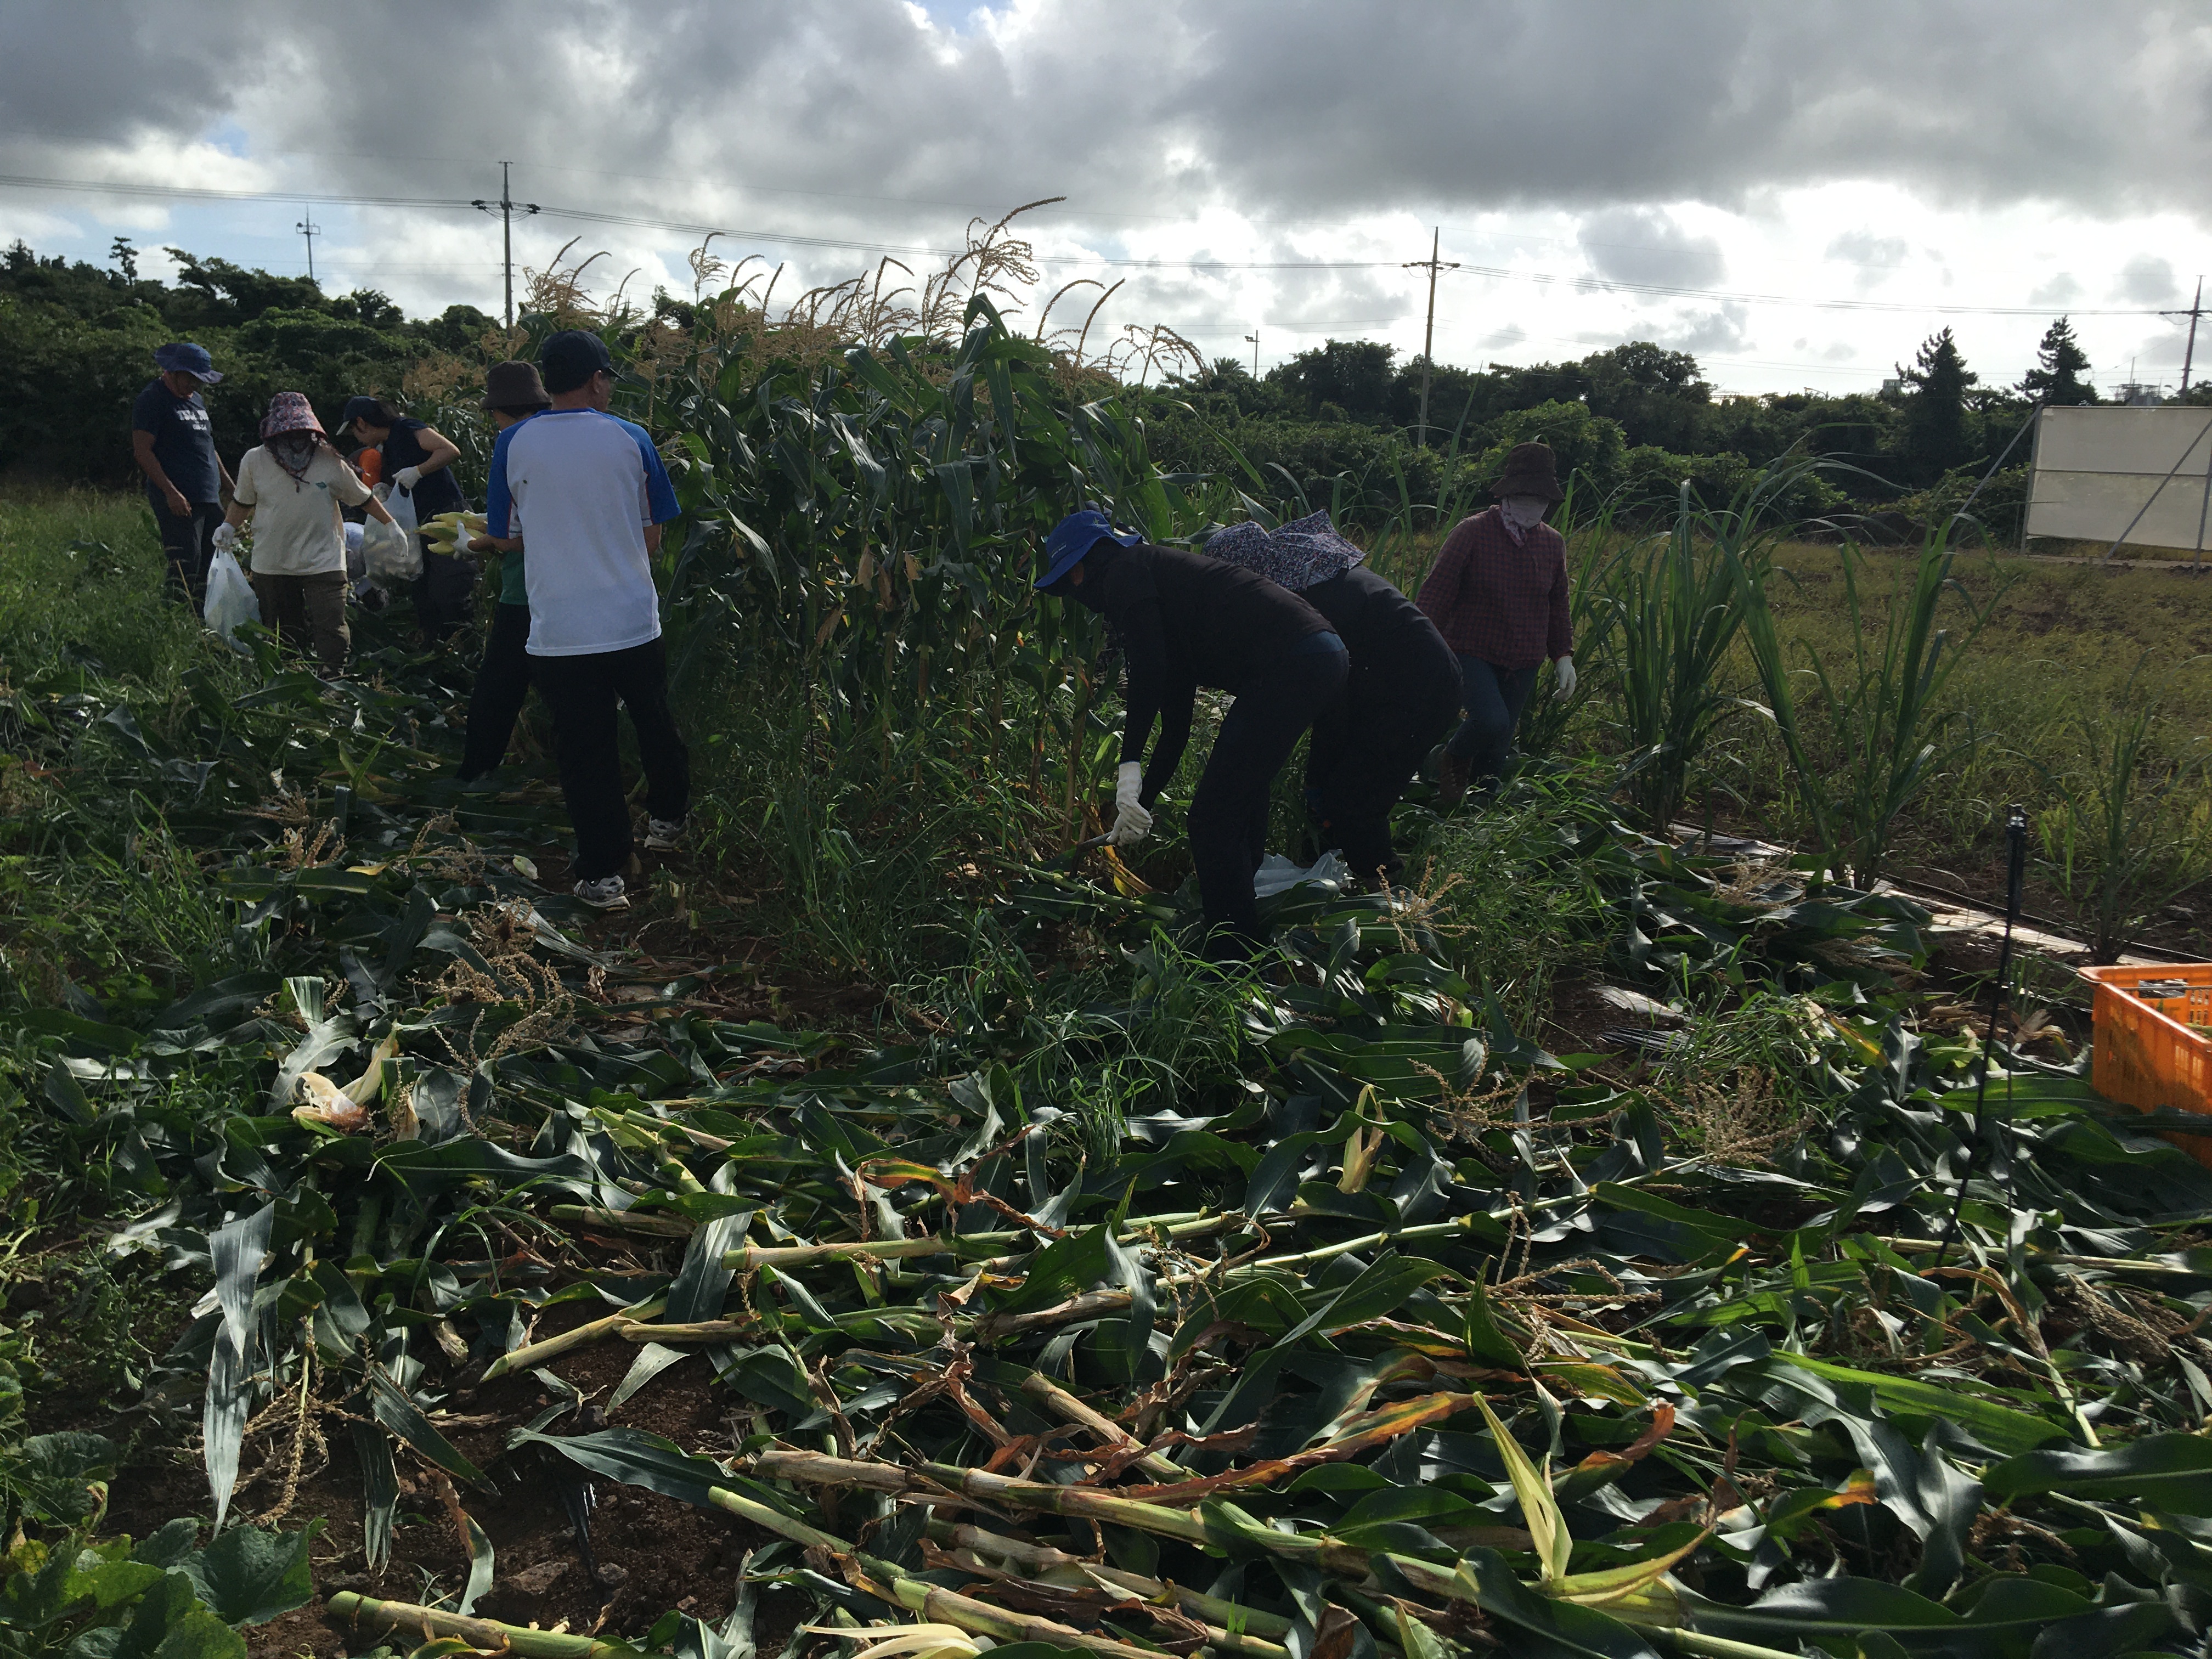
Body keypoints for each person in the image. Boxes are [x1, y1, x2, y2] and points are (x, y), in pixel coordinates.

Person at [1035, 509, 1347, 957]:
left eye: (1069, 585)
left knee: (1212, 818)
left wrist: (1128, 765)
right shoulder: (1167, 595)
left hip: (1293, 662)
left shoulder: (1126, 570)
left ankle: (1232, 960)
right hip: (1318, 655)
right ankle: (1242, 921)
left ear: (1080, 571)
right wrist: (1139, 805)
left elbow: (1148, 670)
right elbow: (1176, 725)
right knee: (1241, 796)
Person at [483, 331, 686, 911]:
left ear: (549, 382)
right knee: (654, 722)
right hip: (629, 619)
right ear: (597, 378)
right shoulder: (632, 438)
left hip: (559, 629)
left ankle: (602, 876)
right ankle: (668, 822)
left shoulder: (513, 443)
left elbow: (505, 535)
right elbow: (652, 537)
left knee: (585, 749)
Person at [1206, 511, 1459, 888]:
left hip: (1417, 690)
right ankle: (1337, 880)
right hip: (1391, 686)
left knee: (1355, 800)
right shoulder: (1312, 578)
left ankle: (1390, 901)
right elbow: (1333, 695)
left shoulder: (1313, 598)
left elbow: (1325, 686)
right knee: (1333, 787)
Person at [1415, 442, 1577, 807]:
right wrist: (1419, 645)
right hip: (1472, 648)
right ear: (1507, 494)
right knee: (1491, 721)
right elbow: (1437, 592)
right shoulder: (1472, 532)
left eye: (1540, 498)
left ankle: (1470, 814)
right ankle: (1452, 758)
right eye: (1525, 495)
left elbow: (1558, 603)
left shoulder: (1552, 544)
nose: (1532, 505)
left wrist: (1563, 655)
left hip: (1524, 656)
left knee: (1497, 752)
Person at [217, 393, 400, 676]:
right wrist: (229, 525)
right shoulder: (255, 461)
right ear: (274, 431)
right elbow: (243, 502)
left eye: (300, 431)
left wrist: (391, 525)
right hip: (272, 561)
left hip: (323, 559)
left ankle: (332, 679)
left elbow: (363, 498)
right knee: (283, 628)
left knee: (331, 623)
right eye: (287, 432)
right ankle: (292, 679)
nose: (294, 438)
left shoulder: (330, 460)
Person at [458, 361, 554, 790]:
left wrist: (476, 542)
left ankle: (477, 771)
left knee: (499, 687)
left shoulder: (511, 441)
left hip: (525, 589)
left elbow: (508, 536)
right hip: (578, 591)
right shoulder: (571, 436)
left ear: (500, 410)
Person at [340, 396, 471, 644]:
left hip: (444, 514)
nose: (357, 439)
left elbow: (449, 450)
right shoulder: (387, 447)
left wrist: (419, 471)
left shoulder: (407, 428)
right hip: (420, 521)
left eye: (354, 431)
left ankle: (462, 644)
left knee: (449, 585)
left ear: (362, 423)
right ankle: (434, 646)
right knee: (424, 589)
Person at [131, 342, 234, 603]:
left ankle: (200, 617)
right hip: (179, 498)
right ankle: (173, 616)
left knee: (213, 558)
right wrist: (172, 493)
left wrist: (231, 486)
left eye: (200, 380)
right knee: (187, 559)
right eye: (191, 378)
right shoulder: (152, 399)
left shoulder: (196, 400)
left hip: (208, 495)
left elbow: (209, 446)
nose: (195, 386)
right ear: (173, 372)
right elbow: (143, 451)